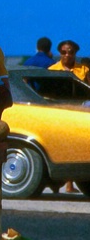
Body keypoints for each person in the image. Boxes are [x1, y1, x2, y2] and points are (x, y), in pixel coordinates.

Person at [47, 39, 88, 194]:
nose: (67, 55)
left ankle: (71, 183)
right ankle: (61, 183)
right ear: (59, 53)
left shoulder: (83, 70)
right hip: (59, 112)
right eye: (64, 52)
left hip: (79, 113)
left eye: (70, 52)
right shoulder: (52, 70)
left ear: (75, 53)